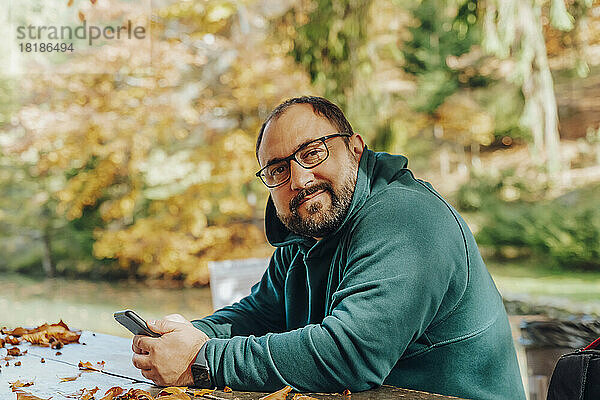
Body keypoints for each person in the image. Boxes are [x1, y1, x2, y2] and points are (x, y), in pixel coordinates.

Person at [131, 96, 526, 399]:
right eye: (278, 169)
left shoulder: (407, 219)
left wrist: (201, 361)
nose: (299, 180)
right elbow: (259, 314)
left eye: (312, 152)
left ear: (356, 147)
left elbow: (349, 354)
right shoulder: (305, 231)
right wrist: (184, 336)